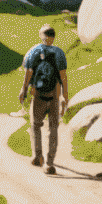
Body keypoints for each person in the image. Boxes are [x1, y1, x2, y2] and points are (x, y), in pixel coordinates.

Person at [19, 25, 69, 173]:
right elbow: (63, 76)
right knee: (53, 129)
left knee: (35, 126)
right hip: (54, 95)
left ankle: (38, 157)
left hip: (38, 94)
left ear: (41, 35)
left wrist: (24, 89)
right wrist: (64, 96)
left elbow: (29, 72)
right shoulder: (59, 53)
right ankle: (50, 163)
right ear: (53, 37)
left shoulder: (34, 51)